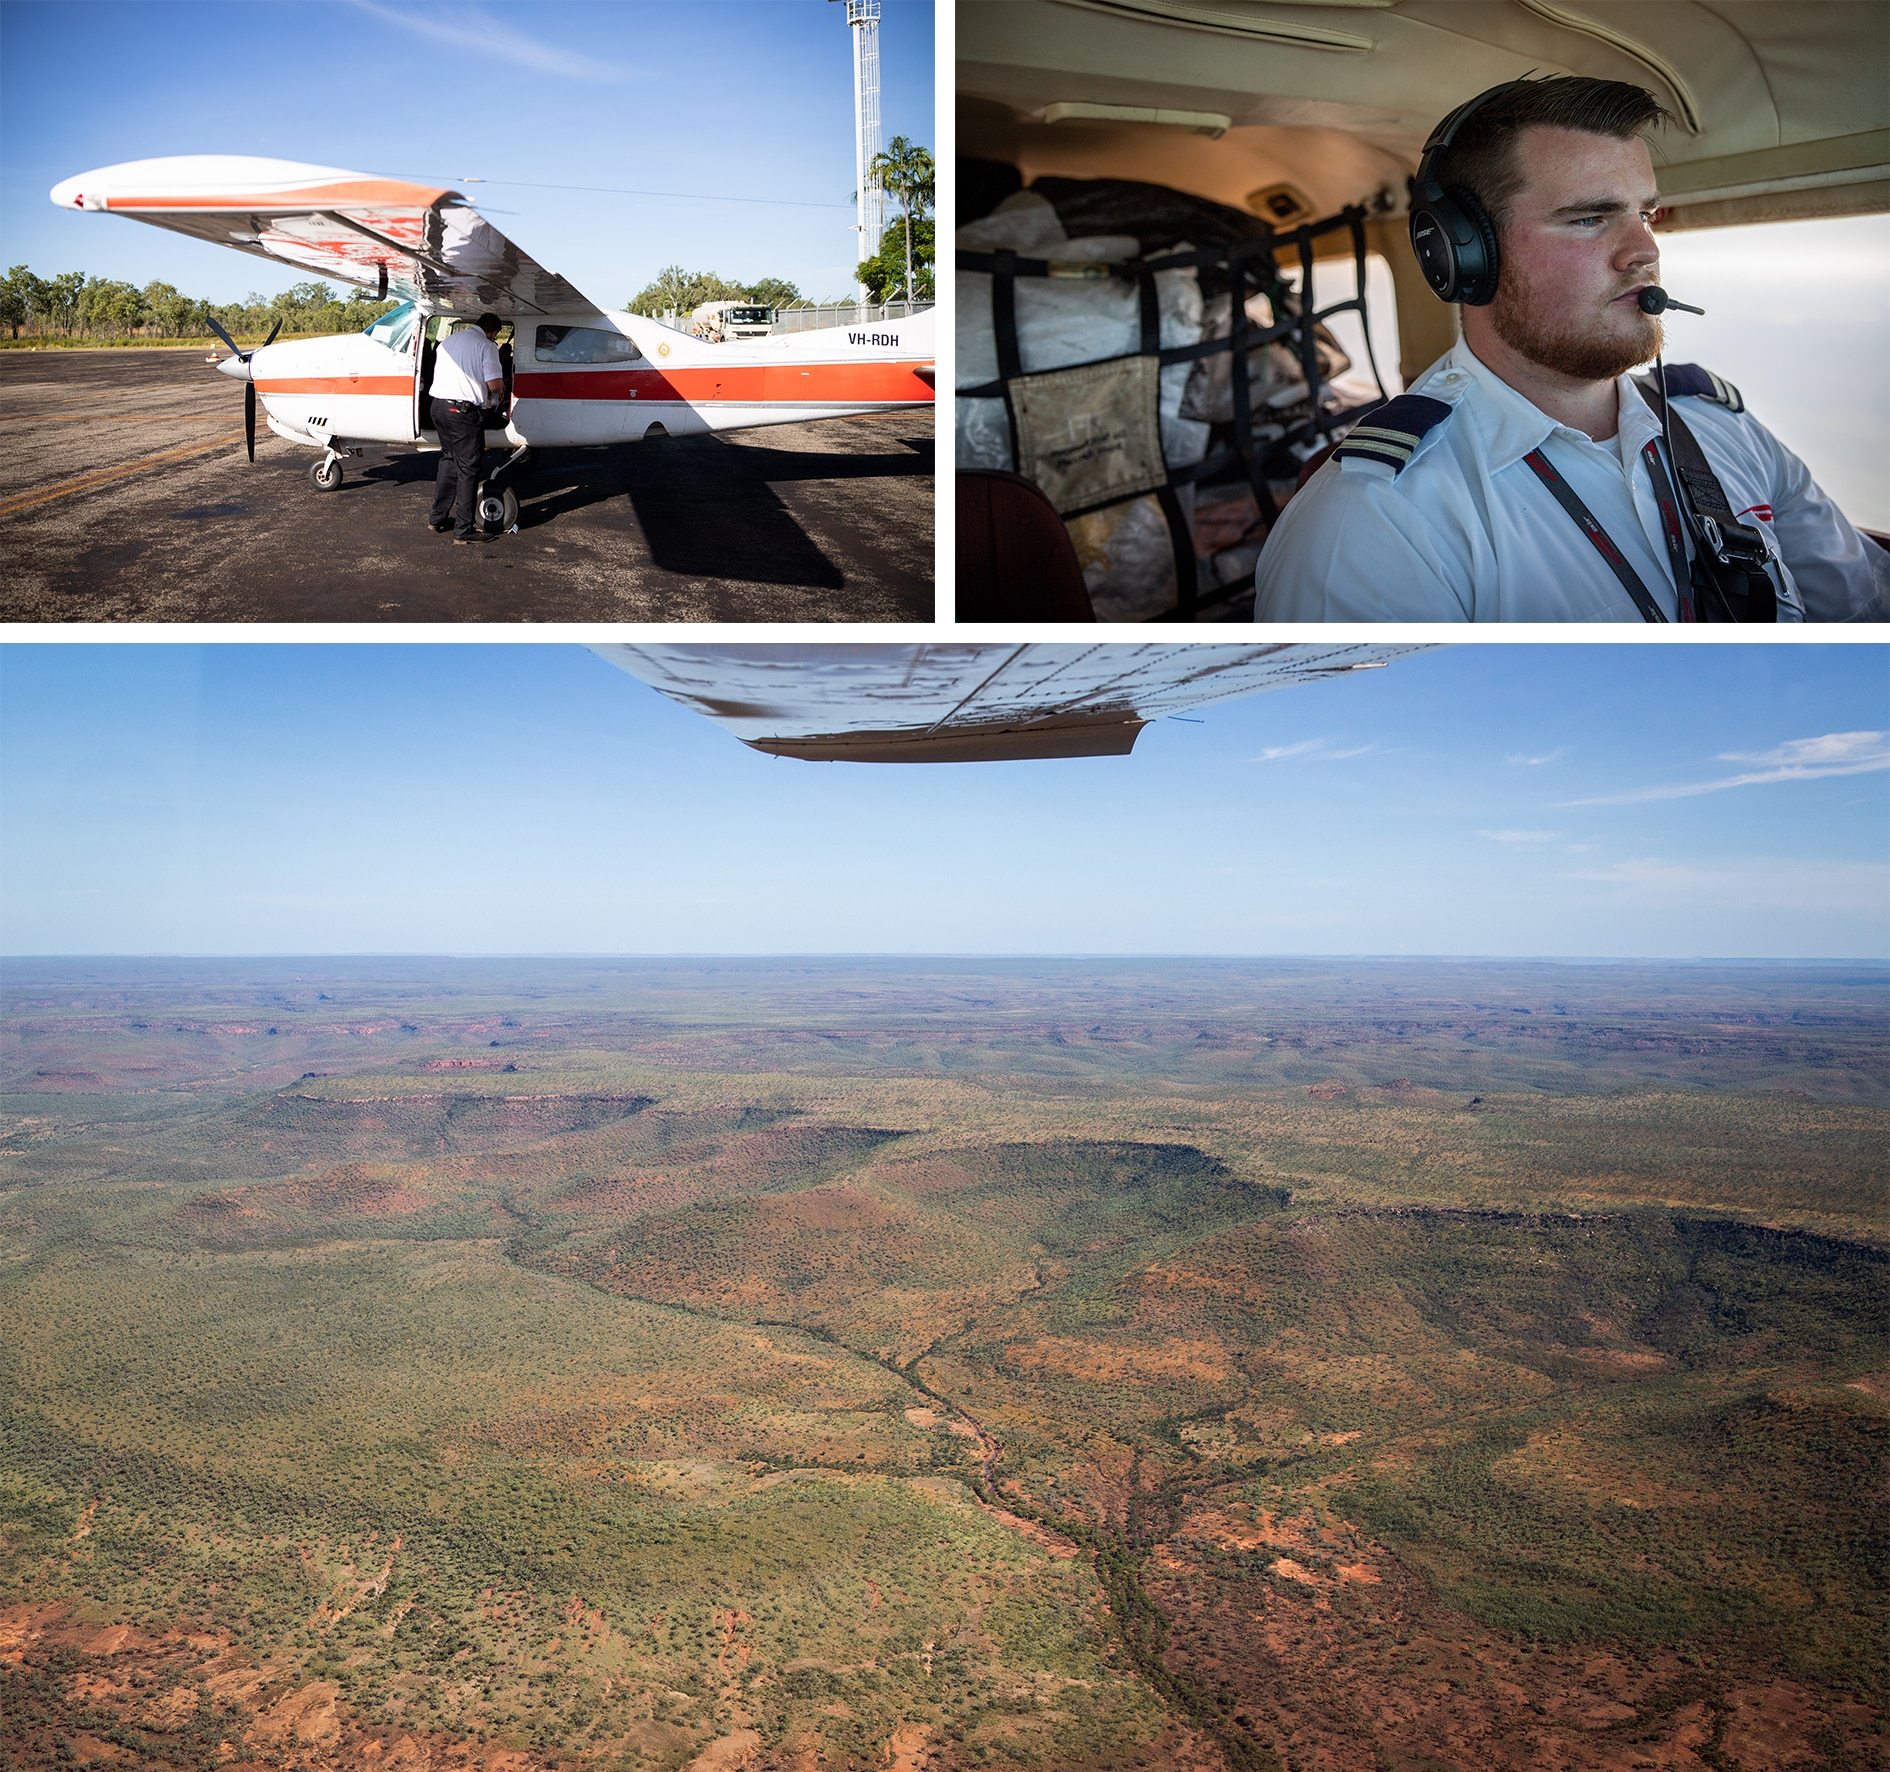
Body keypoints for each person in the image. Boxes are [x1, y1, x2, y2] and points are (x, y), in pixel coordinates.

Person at [1254, 77, 1888, 622]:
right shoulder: (1372, 524)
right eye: (1589, 218)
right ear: (1463, 254)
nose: (1645, 252)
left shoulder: (1722, 426)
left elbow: (1864, 606)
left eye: (1648, 214)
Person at [426, 312, 506, 544]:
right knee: (468, 469)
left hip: (438, 408)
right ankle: (463, 530)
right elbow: (493, 384)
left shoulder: (449, 342)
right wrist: (502, 386)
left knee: (449, 461)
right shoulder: (487, 346)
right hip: (461, 413)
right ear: (494, 332)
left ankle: (437, 518)